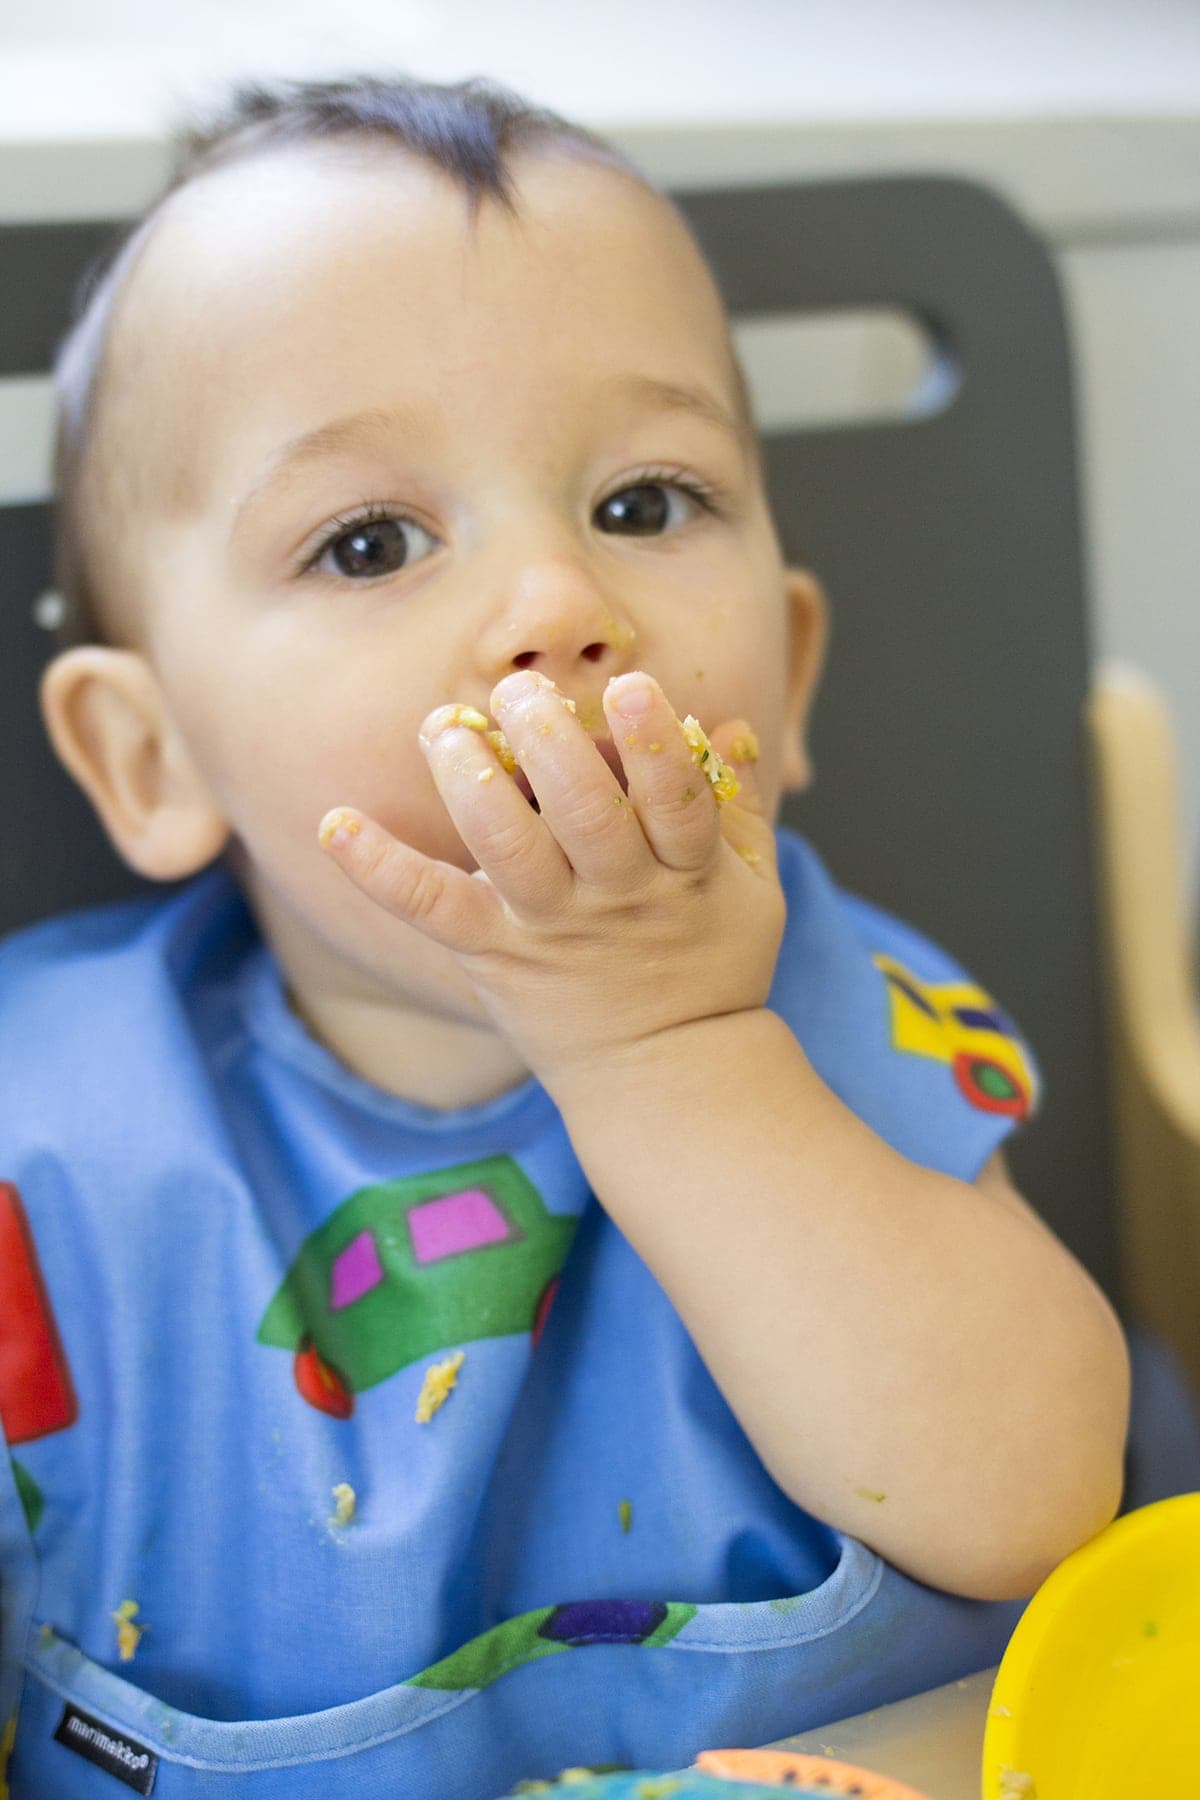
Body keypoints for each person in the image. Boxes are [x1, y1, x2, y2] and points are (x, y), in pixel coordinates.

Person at [0, 74, 1130, 1799]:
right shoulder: (50, 1129)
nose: (557, 609)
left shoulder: (841, 1006)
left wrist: (672, 1049)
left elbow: (1034, 1494)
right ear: (150, 760)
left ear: (792, 668)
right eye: (371, 542)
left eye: (644, 505)